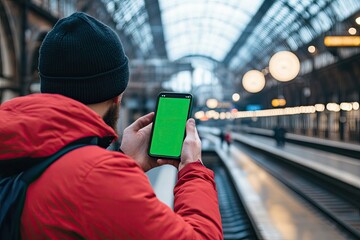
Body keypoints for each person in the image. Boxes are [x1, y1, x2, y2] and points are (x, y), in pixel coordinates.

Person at [0, 12, 222, 239]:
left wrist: (125, 160)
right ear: (118, 94)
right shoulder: (95, 179)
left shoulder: (17, 143)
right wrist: (193, 168)